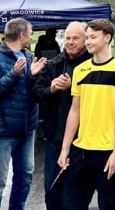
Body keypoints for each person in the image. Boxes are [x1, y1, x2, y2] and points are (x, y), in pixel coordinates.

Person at [57, 19, 115, 210]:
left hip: (107, 152)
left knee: (109, 204)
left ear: (107, 38)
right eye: (87, 37)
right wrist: (65, 148)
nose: (88, 41)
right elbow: (75, 111)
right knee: (72, 204)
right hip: (80, 150)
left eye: (92, 37)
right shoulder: (80, 70)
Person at [0, 18, 47, 210]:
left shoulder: (27, 54)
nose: (32, 35)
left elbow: (30, 90)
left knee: (25, 176)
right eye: (31, 31)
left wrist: (33, 75)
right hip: (2, 130)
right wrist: (14, 74)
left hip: (26, 128)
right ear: (22, 34)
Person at [33, 22, 92, 210]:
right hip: (55, 137)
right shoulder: (54, 64)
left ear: (85, 40)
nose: (70, 42)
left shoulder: (94, 64)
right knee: (52, 192)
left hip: (84, 140)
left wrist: (72, 87)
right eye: (67, 38)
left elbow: (98, 97)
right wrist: (52, 88)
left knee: (76, 196)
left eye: (75, 38)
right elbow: (37, 92)